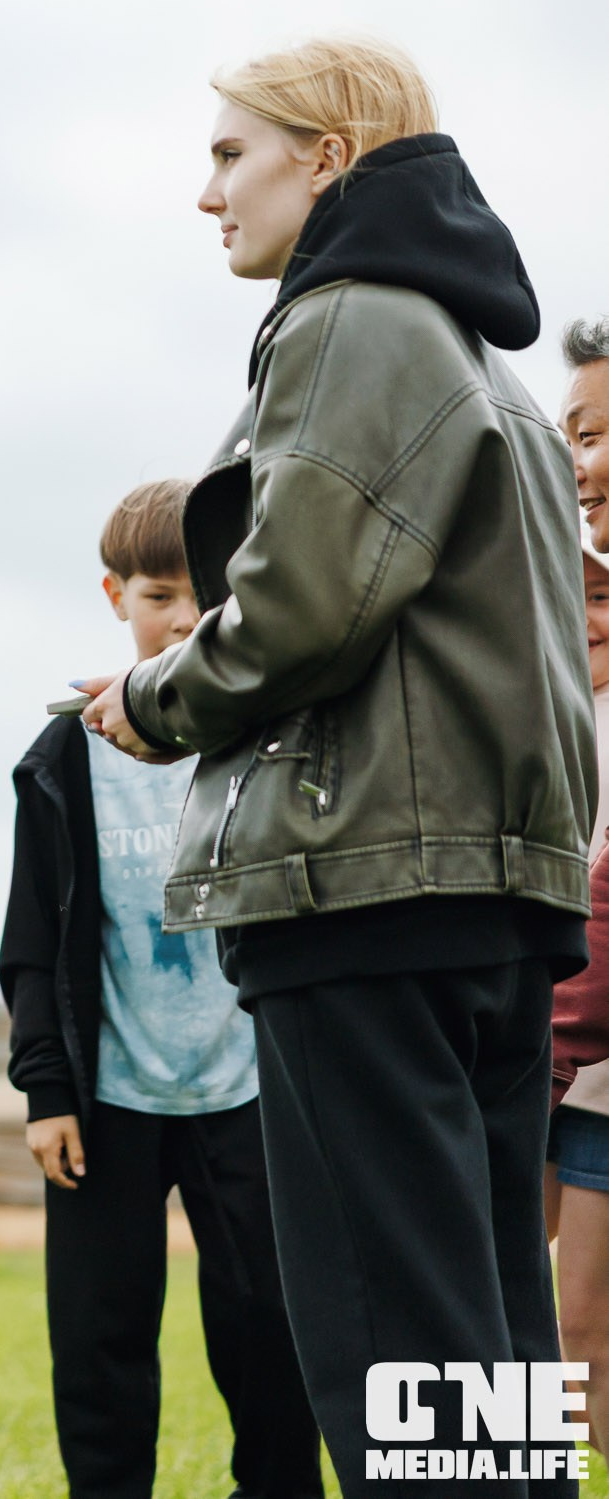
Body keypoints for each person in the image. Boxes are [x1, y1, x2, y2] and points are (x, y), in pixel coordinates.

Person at [79, 39, 591, 1495]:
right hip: (481, 896)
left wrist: (154, 695)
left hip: (365, 888)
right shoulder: (474, 353)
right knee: (483, 1353)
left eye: (234, 153)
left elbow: (303, 606)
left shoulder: (351, 320)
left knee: (389, 1343)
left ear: (332, 154)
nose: (205, 191)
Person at [1, 480, 319, 1498]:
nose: (181, 617)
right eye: (156, 594)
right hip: (108, 1105)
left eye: (204, 594)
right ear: (113, 595)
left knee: (271, 1337)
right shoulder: (59, 758)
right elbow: (28, 945)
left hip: (252, 1096)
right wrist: (46, 1089)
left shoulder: (264, 735)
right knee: (99, 1348)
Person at [548, 320, 609, 1455]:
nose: (581, 464)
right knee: (573, 1336)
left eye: (598, 435)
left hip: (573, 1035)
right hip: (577, 1056)